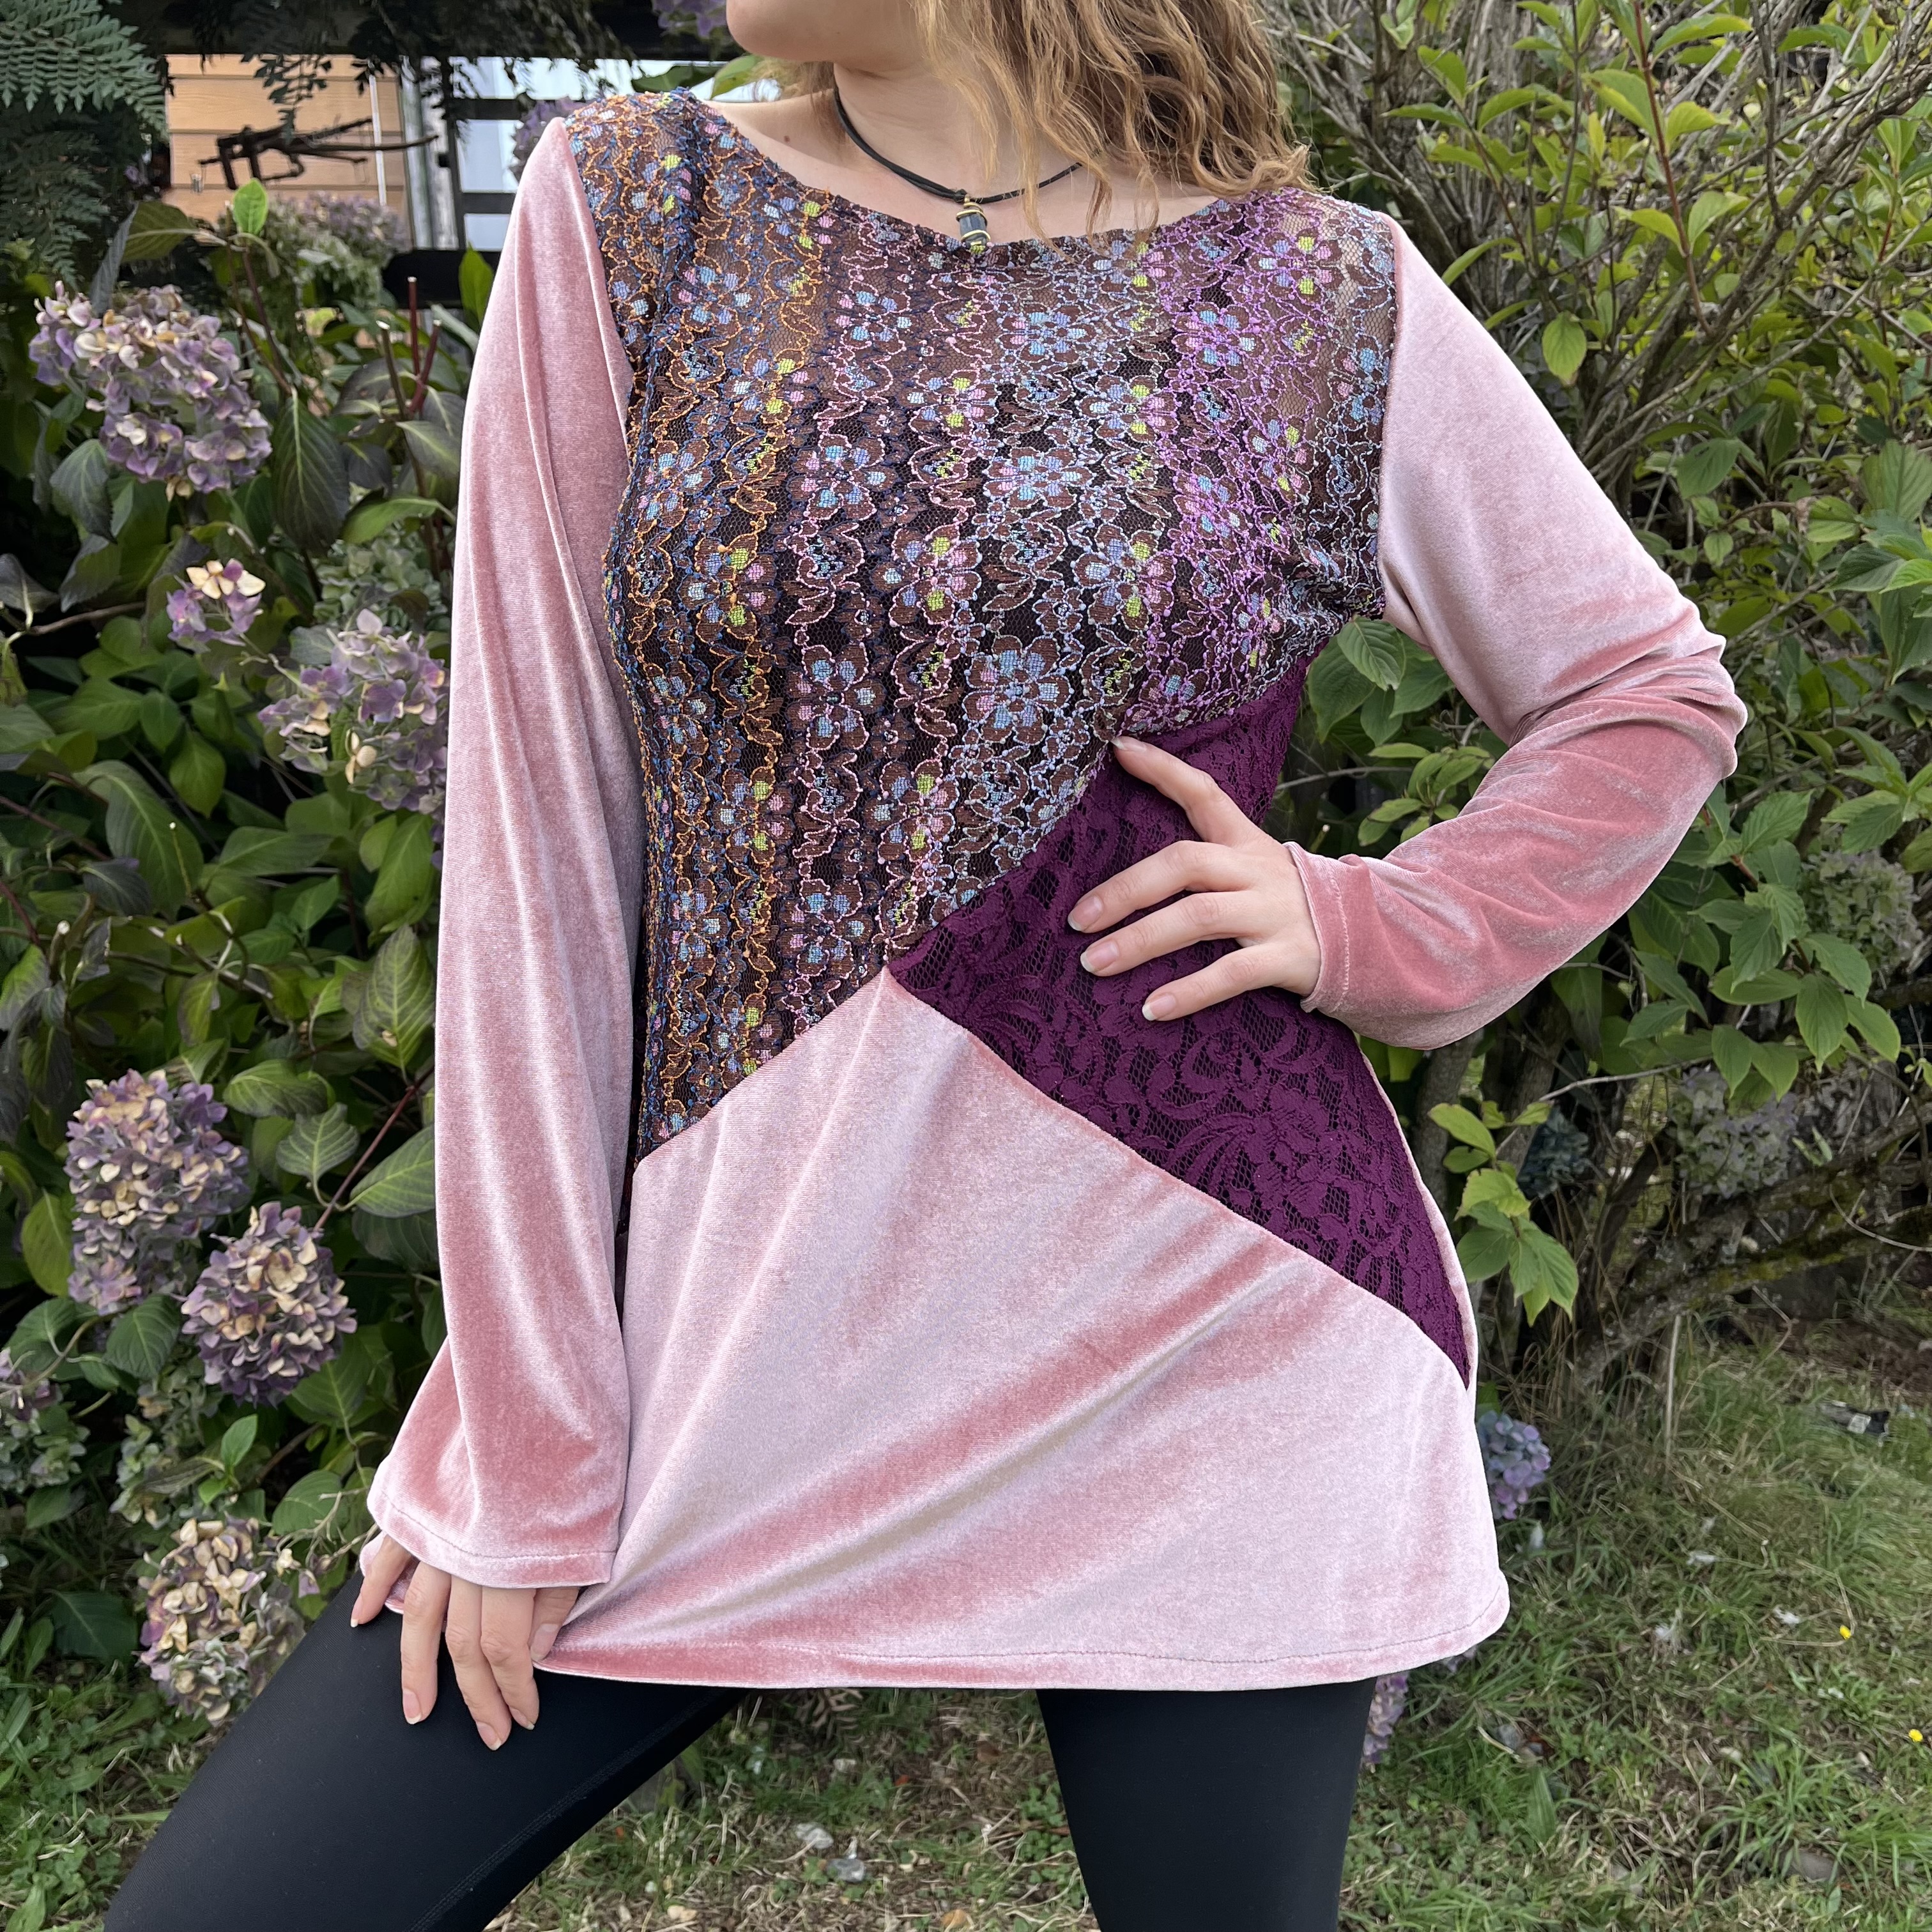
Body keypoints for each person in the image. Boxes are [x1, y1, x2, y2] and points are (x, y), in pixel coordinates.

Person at [107, 1, 1745, 1927]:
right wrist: (527, 1442)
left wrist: (1368, 923)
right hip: (723, 1357)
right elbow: (539, 860)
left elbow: (1643, 693)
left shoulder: (1320, 293)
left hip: (1212, 1339)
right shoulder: (634, 211)